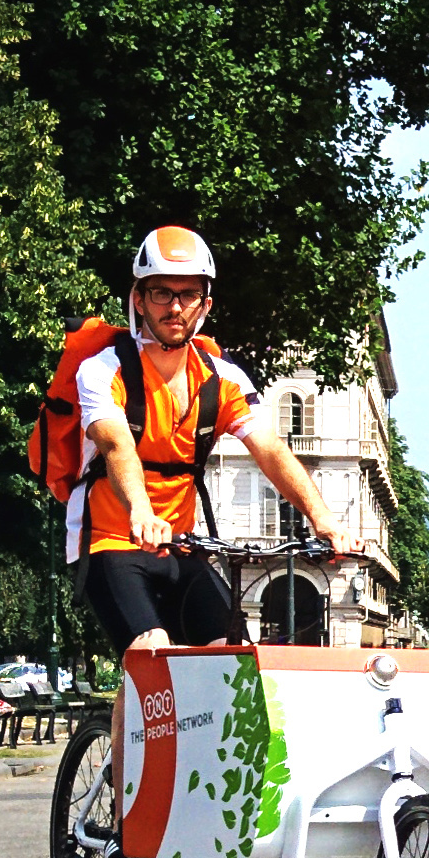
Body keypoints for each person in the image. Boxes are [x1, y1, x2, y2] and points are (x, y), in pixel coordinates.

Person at [67, 227, 359, 754]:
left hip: (179, 545)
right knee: (150, 654)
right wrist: (140, 510)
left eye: (187, 294)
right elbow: (115, 448)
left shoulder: (221, 379)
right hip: (110, 542)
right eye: (160, 291)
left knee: (232, 662)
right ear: (138, 298)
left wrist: (324, 520)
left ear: (205, 303)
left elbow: (270, 450)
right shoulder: (104, 370)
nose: (174, 306)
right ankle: (127, 818)